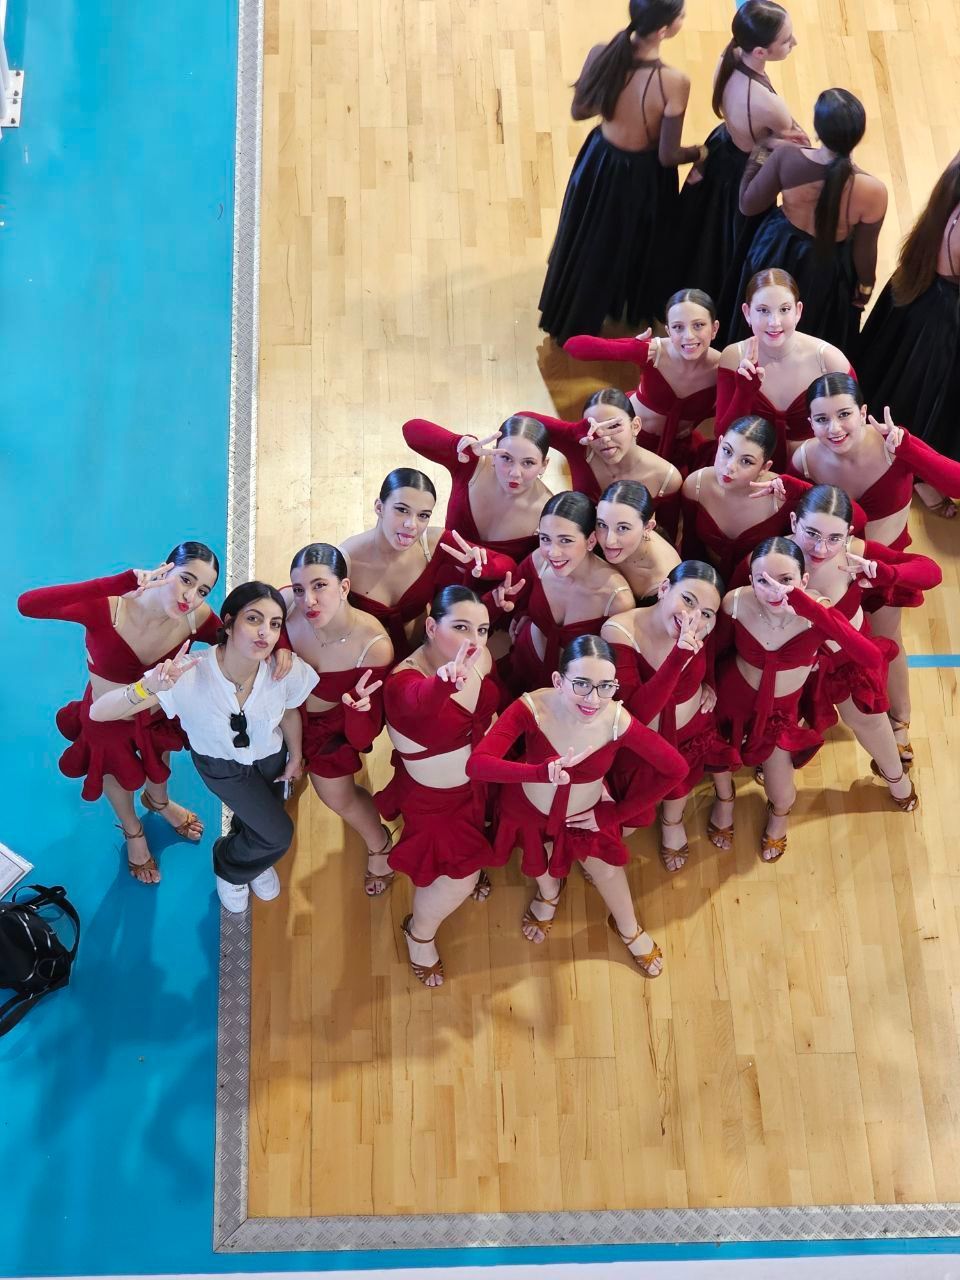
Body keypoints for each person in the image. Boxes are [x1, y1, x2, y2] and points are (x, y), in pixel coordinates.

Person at [89, 582, 316, 913]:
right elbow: (99, 712)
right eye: (254, 619)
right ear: (228, 622)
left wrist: (295, 755)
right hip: (222, 765)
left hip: (270, 756)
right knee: (278, 834)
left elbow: (290, 711)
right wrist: (146, 688)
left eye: (274, 624)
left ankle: (250, 852)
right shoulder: (188, 673)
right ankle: (231, 867)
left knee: (260, 820)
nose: (265, 633)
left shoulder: (283, 667)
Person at [467, 636, 688, 975]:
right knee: (535, 857)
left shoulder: (616, 719)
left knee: (607, 870)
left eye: (605, 686)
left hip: (583, 815)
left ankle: (628, 928)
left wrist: (613, 814)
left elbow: (676, 769)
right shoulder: (533, 707)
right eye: (582, 684)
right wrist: (540, 773)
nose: (593, 699)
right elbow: (478, 764)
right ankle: (549, 893)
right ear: (559, 680)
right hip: (528, 806)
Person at [18, 544, 223, 884]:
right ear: (164, 570)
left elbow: (235, 639)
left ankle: (159, 803)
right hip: (106, 718)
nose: (191, 596)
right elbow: (29, 604)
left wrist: (284, 650)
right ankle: (132, 830)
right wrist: (116, 583)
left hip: (155, 714)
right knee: (115, 772)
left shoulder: (195, 617)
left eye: (203, 590)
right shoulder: (108, 607)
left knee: (160, 769)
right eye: (185, 580)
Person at [790, 373, 960, 762]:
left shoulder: (892, 444)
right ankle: (809, 722)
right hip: (833, 572)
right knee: (824, 652)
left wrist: (911, 449)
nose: (833, 429)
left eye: (844, 414)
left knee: (889, 642)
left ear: (864, 412)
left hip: (884, 570)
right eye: (820, 420)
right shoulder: (805, 458)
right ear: (810, 422)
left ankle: (899, 721)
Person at [712, 538, 890, 862]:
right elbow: (715, 652)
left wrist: (811, 609)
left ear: (803, 581)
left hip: (780, 711)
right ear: (750, 580)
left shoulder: (818, 609)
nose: (774, 591)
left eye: (785, 581)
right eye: (762, 581)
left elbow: (870, 657)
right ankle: (724, 798)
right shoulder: (735, 603)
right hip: (733, 699)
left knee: (781, 792)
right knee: (719, 755)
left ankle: (779, 813)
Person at [538, 0, 703, 342]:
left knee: (591, 241)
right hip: (643, 179)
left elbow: (579, 111)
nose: (684, 19)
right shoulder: (675, 82)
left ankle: (574, 315)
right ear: (663, 30)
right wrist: (700, 152)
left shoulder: (602, 53)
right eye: (681, 15)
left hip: (599, 163)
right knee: (632, 246)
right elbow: (668, 156)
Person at [376, 587, 501, 988]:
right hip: (436, 801)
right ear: (431, 626)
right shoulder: (403, 684)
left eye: (482, 629)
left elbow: (486, 707)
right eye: (460, 627)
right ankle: (419, 934)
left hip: (477, 782)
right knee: (459, 879)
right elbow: (418, 703)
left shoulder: (479, 654)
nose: (474, 640)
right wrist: (443, 683)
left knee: (479, 843)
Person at [785, 486, 933, 810]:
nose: (821, 548)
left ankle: (896, 779)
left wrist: (884, 572)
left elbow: (930, 572)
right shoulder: (771, 559)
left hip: (847, 663)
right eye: (811, 533)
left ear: (848, 533)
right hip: (795, 666)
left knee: (869, 722)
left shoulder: (856, 550)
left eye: (833, 538)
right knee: (787, 727)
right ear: (794, 522)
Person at [675, 0, 806, 340]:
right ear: (761, 51)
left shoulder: (728, 56)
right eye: (787, 40)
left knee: (700, 239)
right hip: (743, 175)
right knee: (728, 252)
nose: (794, 44)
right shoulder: (771, 107)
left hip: (721, 150)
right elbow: (798, 143)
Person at [602, 562, 739, 870]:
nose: (693, 617)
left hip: (691, 727)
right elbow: (636, 713)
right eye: (687, 600)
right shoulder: (618, 631)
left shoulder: (704, 629)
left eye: (706, 613)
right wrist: (679, 656)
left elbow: (711, 654)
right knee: (649, 790)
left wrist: (710, 685)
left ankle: (674, 820)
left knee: (683, 783)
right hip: (644, 742)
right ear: (664, 589)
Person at [281, 543, 396, 896]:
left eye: (320, 586)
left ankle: (380, 844)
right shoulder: (285, 605)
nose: (308, 601)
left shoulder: (373, 646)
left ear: (344, 588)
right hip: (282, 713)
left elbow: (363, 738)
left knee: (337, 797)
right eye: (300, 589)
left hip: (332, 727)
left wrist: (356, 708)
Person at [734, 88, 888, 351]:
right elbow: (865, 251)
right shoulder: (874, 191)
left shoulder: (786, 157)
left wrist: (761, 151)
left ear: (817, 129)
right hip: (827, 270)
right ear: (858, 136)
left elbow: (748, 204)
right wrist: (864, 289)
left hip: (777, 252)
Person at [856, 150, 960, 515]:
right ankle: (917, 472)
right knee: (930, 398)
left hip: (919, 297)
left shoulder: (951, 185)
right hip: (941, 317)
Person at [340, 467, 515, 660]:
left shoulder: (431, 542)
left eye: (423, 515)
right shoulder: (346, 560)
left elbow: (507, 565)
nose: (411, 525)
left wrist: (482, 564)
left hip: (425, 652)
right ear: (379, 507)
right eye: (401, 510)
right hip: (368, 657)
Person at [488, 491, 634, 697]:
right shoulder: (539, 560)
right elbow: (509, 598)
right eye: (545, 539)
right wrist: (519, 612)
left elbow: (614, 671)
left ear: (591, 541)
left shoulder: (617, 599)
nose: (552, 552)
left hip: (574, 693)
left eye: (565, 541)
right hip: (523, 662)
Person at [562, 288, 721, 466]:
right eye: (678, 327)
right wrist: (632, 347)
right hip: (630, 439)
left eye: (698, 325)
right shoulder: (655, 351)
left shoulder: (723, 368)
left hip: (678, 448)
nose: (688, 336)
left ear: (714, 329)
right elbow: (574, 346)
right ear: (668, 330)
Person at [716, 269, 852, 468]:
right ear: (747, 313)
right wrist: (744, 392)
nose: (774, 322)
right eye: (763, 310)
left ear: (798, 311)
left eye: (784, 309)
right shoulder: (733, 356)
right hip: (748, 470)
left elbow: (852, 431)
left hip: (814, 469)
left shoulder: (829, 360)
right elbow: (722, 434)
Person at [525, 389, 683, 539]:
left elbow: (667, 536)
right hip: (580, 543)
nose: (605, 439)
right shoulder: (580, 445)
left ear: (635, 426)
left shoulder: (667, 478)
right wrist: (574, 431)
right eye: (593, 428)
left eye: (613, 426)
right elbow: (523, 419)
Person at [401, 415, 552, 560]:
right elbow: (411, 430)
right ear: (494, 454)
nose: (514, 473)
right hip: (443, 571)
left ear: (544, 465)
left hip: (500, 586)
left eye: (528, 463)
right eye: (506, 458)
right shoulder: (471, 463)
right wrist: (456, 443)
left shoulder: (550, 514)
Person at [680, 415, 811, 581]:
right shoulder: (696, 485)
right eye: (727, 451)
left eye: (746, 461)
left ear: (764, 467)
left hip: (761, 587)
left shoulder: (781, 497)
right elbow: (690, 548)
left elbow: (846, 517)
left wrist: (802, 489)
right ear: (719, 443)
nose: (730, 467)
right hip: (703, 579)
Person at [595, 479, 680, 604]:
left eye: (623, 528)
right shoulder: (594, 526)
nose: (609, 541)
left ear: (648, 527)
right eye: (602, 524)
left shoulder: (663, 582)